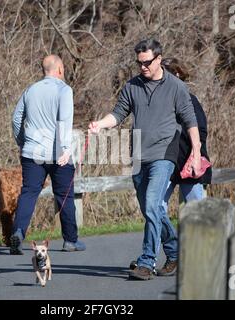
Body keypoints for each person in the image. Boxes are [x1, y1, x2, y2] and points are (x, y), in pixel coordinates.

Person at [88, 39, 201, 280]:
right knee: (150, 209)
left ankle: (146, 262)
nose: (142, 67)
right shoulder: (132, 86)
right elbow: (118, 113)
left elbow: (191, 120)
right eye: (139, 63)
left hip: (164, 153)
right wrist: (100, 124)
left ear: (159, 59)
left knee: (152, 204)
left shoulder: (176, 87)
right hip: (139, 155)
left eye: (147, 62)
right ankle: (174, 251)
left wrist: (197, 152)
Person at [10, 54, 86, 255]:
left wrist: (22, 142)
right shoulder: (64, 90)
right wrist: (64, 150)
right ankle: (70, 241)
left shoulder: (30, 90)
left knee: (28, 193)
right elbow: (64, 121)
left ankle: (18, 232)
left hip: (32, 152)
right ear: (60, 69)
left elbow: (17, 119)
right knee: (64, 195)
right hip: (57, 154)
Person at [161, 58, 212, 239]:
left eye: (165, 74)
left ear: (176, 75)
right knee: (157, 207)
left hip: (188, 163)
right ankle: (170, 251)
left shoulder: (190, 100)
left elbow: (202, 131)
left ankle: (205, 250)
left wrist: (194, 156)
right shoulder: (158, 101)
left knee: (195, 211)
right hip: (166, 163)